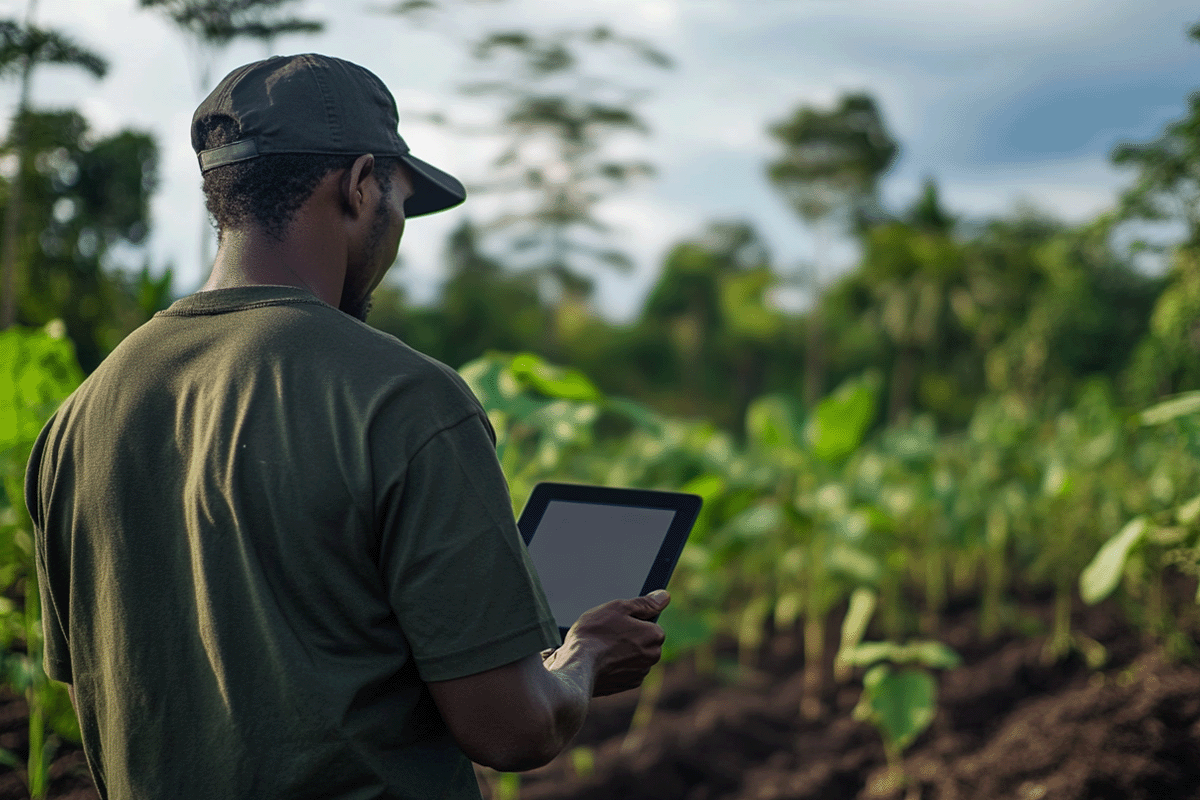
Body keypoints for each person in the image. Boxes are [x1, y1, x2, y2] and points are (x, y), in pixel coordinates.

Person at [25, 53, 669, 800]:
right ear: (361, 184)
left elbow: (102, 697)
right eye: (398, 200)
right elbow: (512, 729)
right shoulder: (404, 397)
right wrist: (586, 655)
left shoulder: (79, 416)